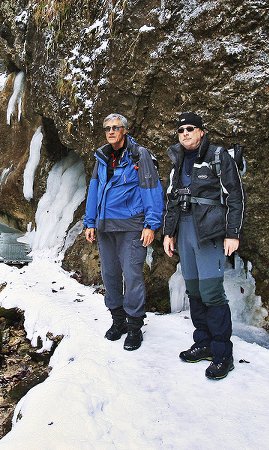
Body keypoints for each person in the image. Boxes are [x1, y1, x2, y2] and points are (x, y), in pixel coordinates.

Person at [162, 112, 245, 380]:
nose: (185, 133)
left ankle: (223, 354)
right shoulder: (177, 161)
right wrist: (168, 233)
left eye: (190, 129)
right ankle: (204, 342)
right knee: (194, 291)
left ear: (201, 131)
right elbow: (172, 200)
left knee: (211, 292)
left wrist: (232, 234)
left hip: (209, 232)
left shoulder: (219, 157)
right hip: (184, 229)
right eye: (181, 130)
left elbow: (235, 197)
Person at [84, 113, 164, 351]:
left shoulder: (140, 155)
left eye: (115, 127)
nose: (110, 131)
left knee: (132, 276)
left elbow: (152, 190)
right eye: (107, 127)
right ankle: (118, 321)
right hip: (105, 226)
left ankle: (135, 327)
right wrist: (90, 222)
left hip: (131, 227)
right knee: (109, 275)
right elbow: (94, 189)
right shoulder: (102, 157)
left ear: (125, 131)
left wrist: (151, 225)